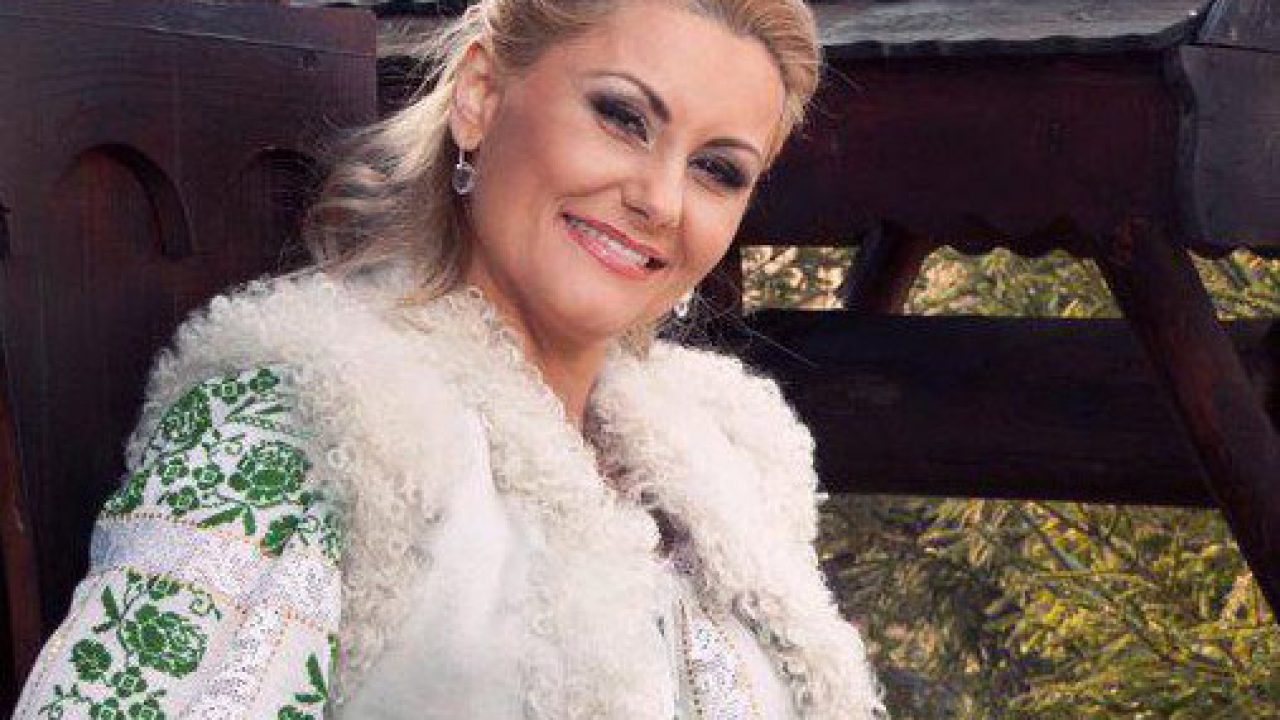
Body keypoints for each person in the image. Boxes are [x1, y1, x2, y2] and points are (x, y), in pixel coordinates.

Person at [15, 0, 886, 717]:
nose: (660, 199)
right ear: (479, 95)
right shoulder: (312, 424)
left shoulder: (728, 458)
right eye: (623, 118)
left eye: (718, 170)